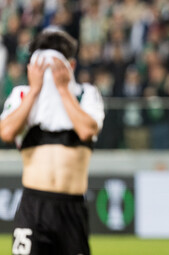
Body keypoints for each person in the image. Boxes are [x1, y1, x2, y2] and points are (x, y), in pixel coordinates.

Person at [0, 29, 104, 255]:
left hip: (71, 210)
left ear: (71, 66)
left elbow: (87, 130)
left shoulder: (86, 95)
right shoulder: (22, 95)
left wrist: (63, 89)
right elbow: (6, 132)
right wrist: (35, 90)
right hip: (32, 207)